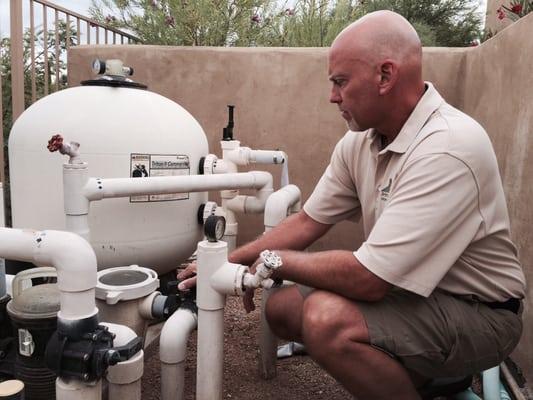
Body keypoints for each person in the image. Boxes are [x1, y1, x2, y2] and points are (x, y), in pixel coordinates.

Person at [179, 10, 526, 400]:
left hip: (479, 312)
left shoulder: (448, 147)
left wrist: (277, 260)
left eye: (340, 82)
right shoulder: (360, 140)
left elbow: (370, 280)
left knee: (327, 321)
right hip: (411, 293)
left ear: (385, 76)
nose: (332, 96)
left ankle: (421, 376)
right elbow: (309, 221)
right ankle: (408, 372)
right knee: (281, 311)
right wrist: (231, 261)